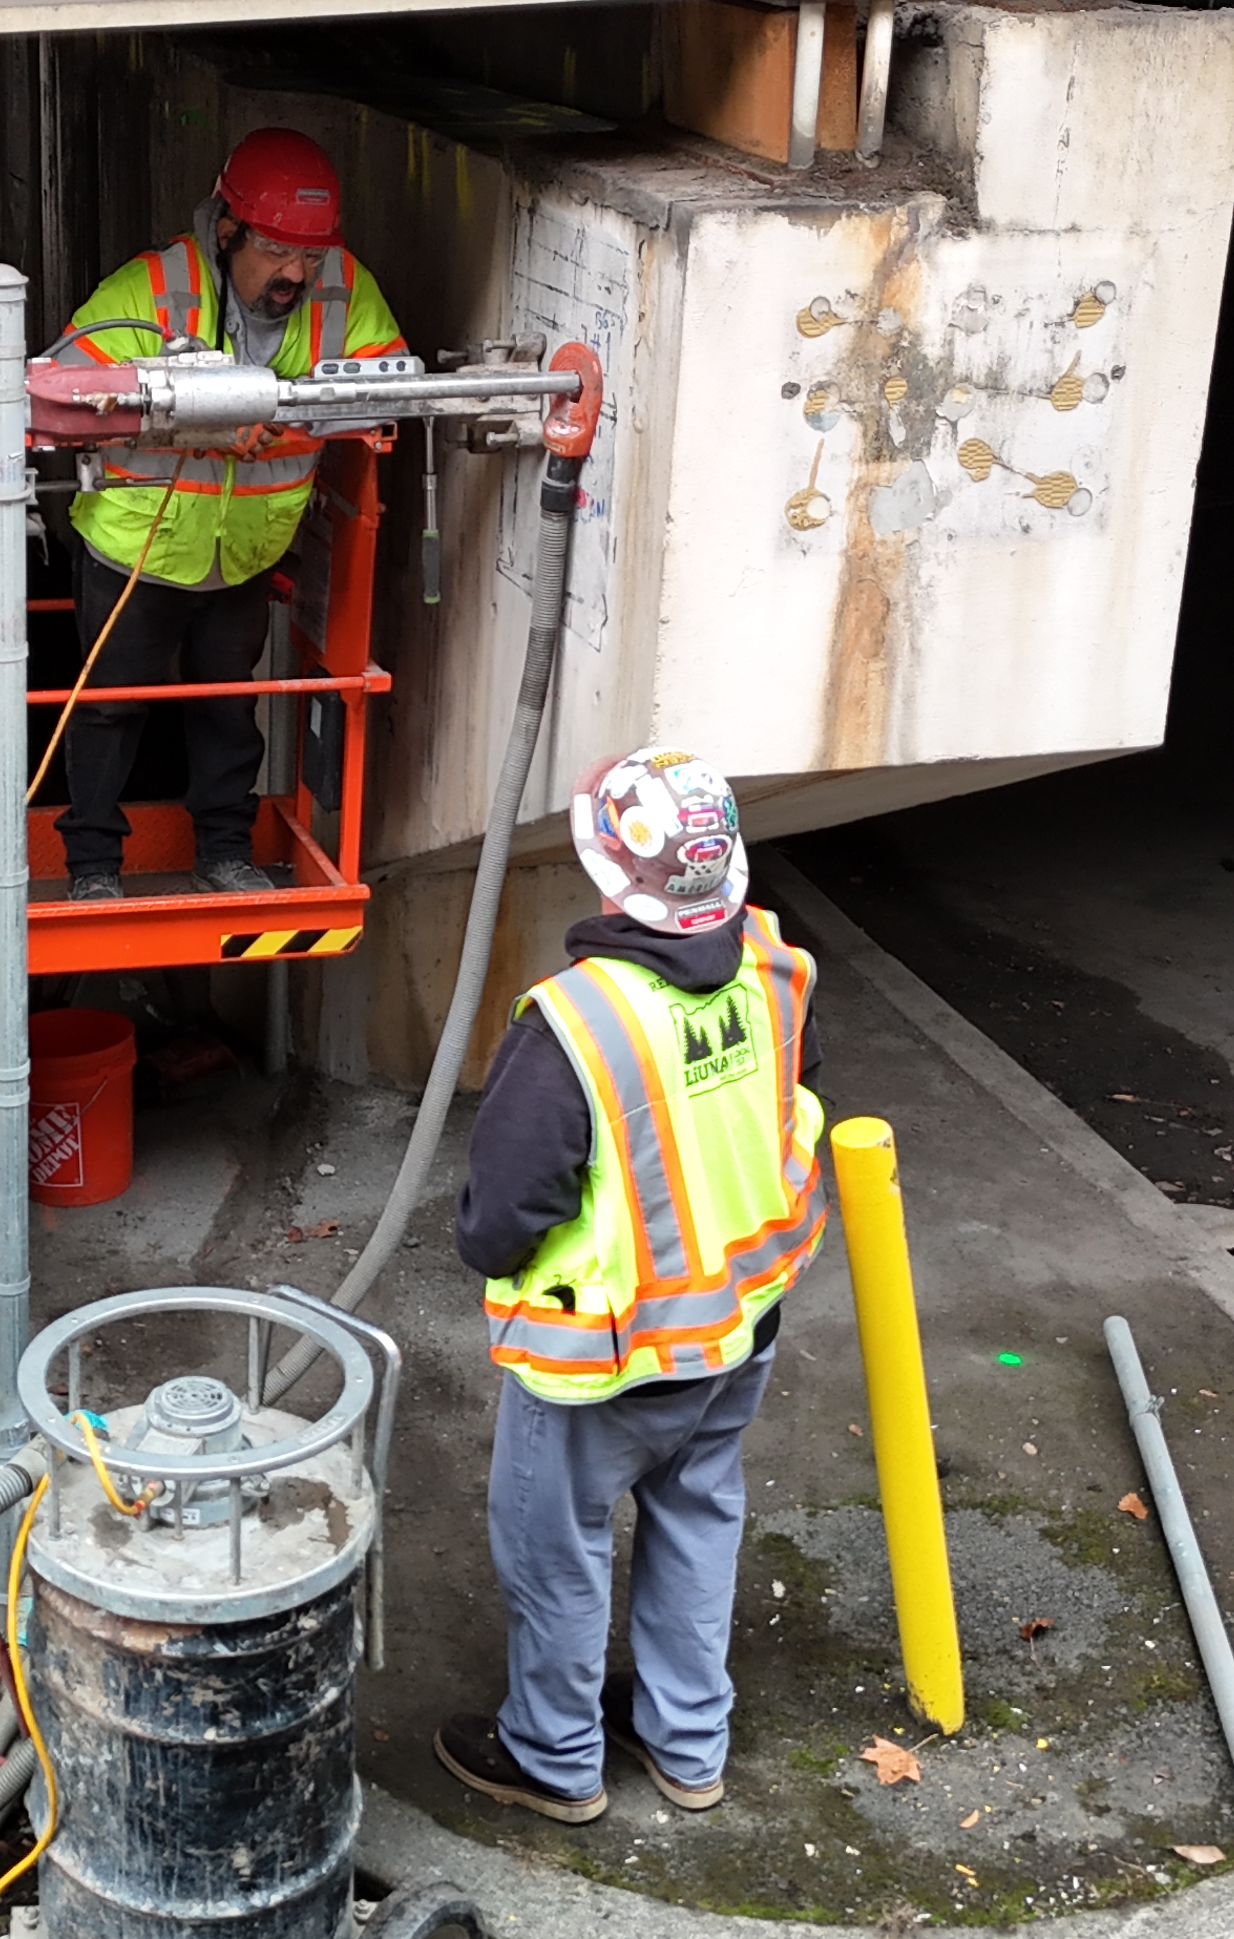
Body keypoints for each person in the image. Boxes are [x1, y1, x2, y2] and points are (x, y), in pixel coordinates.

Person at [435, 747, 826, 1823]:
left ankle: (555, 1762)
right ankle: (688, 1748)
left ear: (609, 874)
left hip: (607, 1358)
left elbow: (506, 1215)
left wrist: (483, 1243)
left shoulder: (578, 1022)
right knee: (698, 1519)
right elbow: (787, 1092)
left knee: (557, 1556)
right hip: (740, 1326)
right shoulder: (773, 963)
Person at [48, 127, 407, 900]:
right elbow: (65, 386)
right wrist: (203, 416)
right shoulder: (152, 287)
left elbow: (388, 379)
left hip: (245, 551)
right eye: (277, 252)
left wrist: (291, 417)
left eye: (309, 256)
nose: (297, 274)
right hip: (137, 541)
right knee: (110, 709)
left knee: (229, 706)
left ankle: (224, 852)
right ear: (227, 229)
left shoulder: (343, 285)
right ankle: (93, 868)